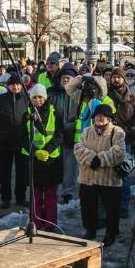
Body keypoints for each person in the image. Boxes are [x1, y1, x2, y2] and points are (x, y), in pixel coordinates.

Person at [74, 103, 125, 245]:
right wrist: (91, 158)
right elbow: (78, 148)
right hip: (88, 177)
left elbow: (119, 152)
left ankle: (111, 233)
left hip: (109, 178)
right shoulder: (87, 131)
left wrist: (100, 159)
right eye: (97, 116)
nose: (99, 118)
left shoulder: (117, 131)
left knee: (111, 208)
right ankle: (90, 230)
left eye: (103, 116)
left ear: (109, 119)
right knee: (88, 206)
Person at [24, 84, 64, 231]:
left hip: (51, 160)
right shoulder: (27, 113)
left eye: (40, 97)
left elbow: (60, 135)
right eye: (34, 97)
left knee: (50, 195)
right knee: (36, 195)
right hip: (34, 159)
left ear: (45, 98)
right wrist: (35, 151)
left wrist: (47, 150)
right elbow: (22, 137)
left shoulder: (55, 111)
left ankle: (50, 223)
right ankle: (36, 222)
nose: (38, 100)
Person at [106, 68, 135, 218]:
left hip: (126, 139)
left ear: (124, 79)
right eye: (114, 77)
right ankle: (109, 205)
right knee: (107, 173)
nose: (116, 80)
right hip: (107, 138)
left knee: (124, 174)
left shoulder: (132, 97)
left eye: (119, 77)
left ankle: (123, 206)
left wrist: (134, 130)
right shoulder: (106, 96)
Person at [0, 73, 30, 209]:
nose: (16, 87)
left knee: (21, 171)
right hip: (4, 140)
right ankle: (5, 198)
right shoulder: (0, 99)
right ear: (8, 86)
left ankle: (21, 197)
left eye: (18, 84)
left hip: (21, 140)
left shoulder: (26, 99)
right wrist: (2, 129)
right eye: (13, 84)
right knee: (5, 171)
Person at [48, 62, 79, 205]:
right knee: (54, 164)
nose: (66, 80)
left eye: (69, 78)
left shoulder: (78, 95)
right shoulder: (51, 93)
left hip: (71, 135)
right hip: (53, 135)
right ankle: (52, 190)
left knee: (69, 166)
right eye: (63, 78)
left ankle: (68, 192)